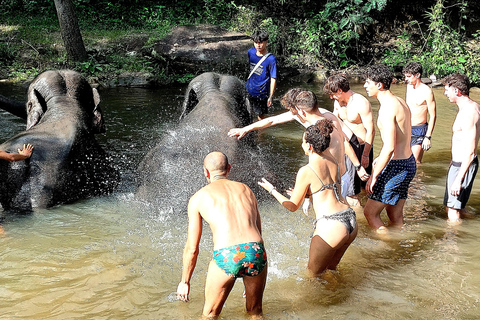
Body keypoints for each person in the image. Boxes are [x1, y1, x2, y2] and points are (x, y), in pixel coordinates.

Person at [228, 89, 369, 202]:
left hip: (336, 174)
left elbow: (342, 143)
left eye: (292, 109)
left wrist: (358, 166)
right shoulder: (311, 116)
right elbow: (272, 121)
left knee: (343, 203)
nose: (290, 113)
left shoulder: (324, 123)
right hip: (334, 174)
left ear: (300, 109)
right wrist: (245, 129)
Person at [258, 119, 357, 276]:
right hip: (350, 220)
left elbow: (292, 206)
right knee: (331, 271)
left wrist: (272, 190)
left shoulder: (306, 170)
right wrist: (307, 194)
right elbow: (327, 186)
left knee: (313, 276)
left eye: (302, 142)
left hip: (332, 225)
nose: (301, 145)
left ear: (309, 146)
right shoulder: (332, 159)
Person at [177, 152, 267, 318]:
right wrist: (251, 266)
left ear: (206, 172)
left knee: (210, 315)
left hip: (227, 255)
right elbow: (258, 229)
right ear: (229, 169)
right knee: (255, 312)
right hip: (255, 251)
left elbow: (192, 248)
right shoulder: (246, 189)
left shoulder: (198, 198)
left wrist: (185, 281)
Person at [362, 64, 416, 233]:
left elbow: (390, 146)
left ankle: (387, 247)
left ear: (379, 85)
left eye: (368, 82)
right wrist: (381, 159)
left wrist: (374, 175)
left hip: (397, 166)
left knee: (370, 213)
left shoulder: (387, 108)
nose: (365, 86)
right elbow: (402, 137)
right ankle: (400, 245)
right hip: (408, 162)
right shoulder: (400, 101)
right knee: (395, 214)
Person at [324, 74, 375, 198]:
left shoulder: (360, 102)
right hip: (346, 148)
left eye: (332, 94)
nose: (331, 97)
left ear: (340, 91)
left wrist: (365, 155)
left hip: (361, 148)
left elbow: (371, 130)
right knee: (350, 187)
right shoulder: (338, 102)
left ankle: (361, 215)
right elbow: (333, 123)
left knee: (359, 190)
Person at [442, 73, 480, 223]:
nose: (445, 93)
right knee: (458, 206)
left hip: (463, 164)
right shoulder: (474, 106)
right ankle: (473, 224)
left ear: (456, 91)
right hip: (461, 164)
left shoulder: (468, 113)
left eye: (447, 90)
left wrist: (458, 179)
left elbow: (470, 152)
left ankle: (452, 243)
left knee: (452, 210)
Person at [403, 62, 437, 164]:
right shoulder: (409, 87)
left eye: (409, 76)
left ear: (417, 75)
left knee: (415, 162)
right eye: (405, 76)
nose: (406, 79)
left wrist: (427, 137)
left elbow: (433, 115)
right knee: (404, 160)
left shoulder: (427, 91)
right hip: (407, 127)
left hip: (419, 130)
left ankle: (418, 180)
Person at [246, 29, 277, 120]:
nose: (258, 45)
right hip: (249, 89)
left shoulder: (271, 59)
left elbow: (273, 78)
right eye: (256, 42)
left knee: (261, 116)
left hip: (261, 93)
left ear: (266, 42)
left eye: (260, 42)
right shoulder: (250, 52)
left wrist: (271, 96)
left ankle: (261, 134)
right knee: (248, 112)